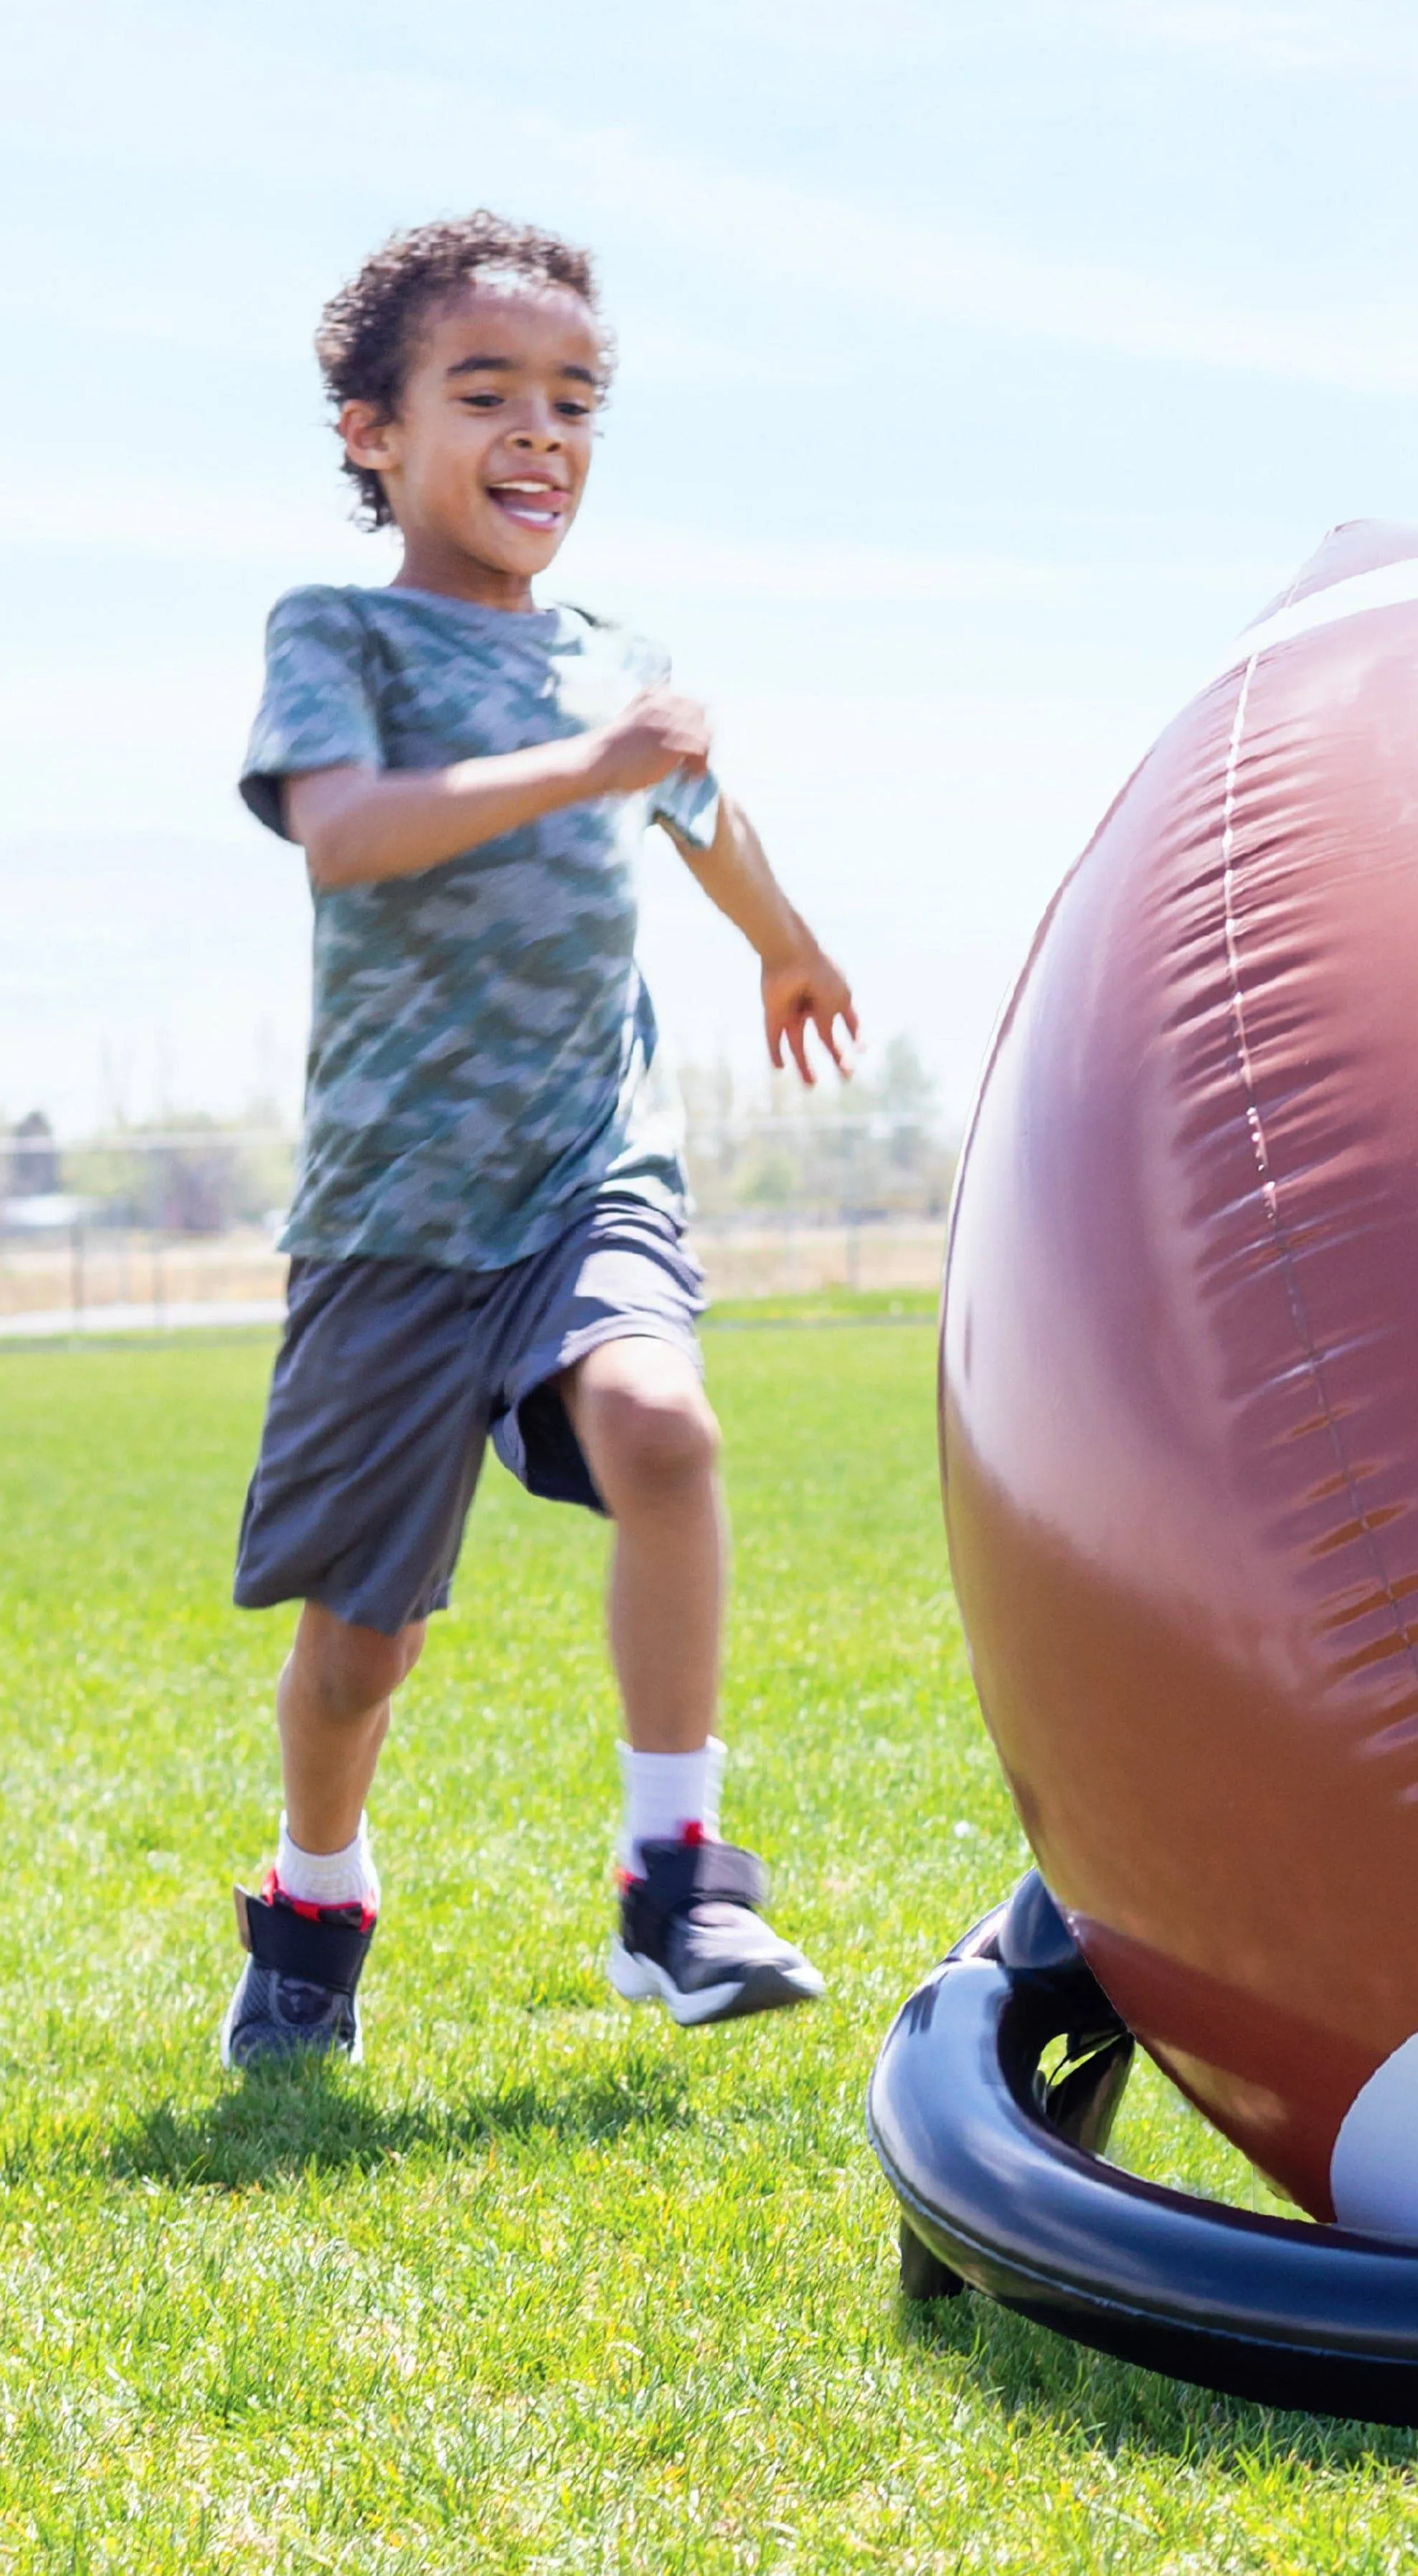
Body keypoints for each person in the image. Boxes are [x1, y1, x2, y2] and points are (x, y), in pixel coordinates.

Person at [220, 213, 858, 2067]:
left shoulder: (613, 655)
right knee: (361, 1653)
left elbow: (697, 803)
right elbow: (341, 830)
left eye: (574, 400)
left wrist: (787, 939)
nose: (540, 435)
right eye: (484, 392)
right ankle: (313, 1906)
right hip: (397, 1215)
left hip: (593, 1167)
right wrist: (586, 767)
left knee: (664, 1419)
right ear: (370, 432)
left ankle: (676, 1882)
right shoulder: (340, 635)